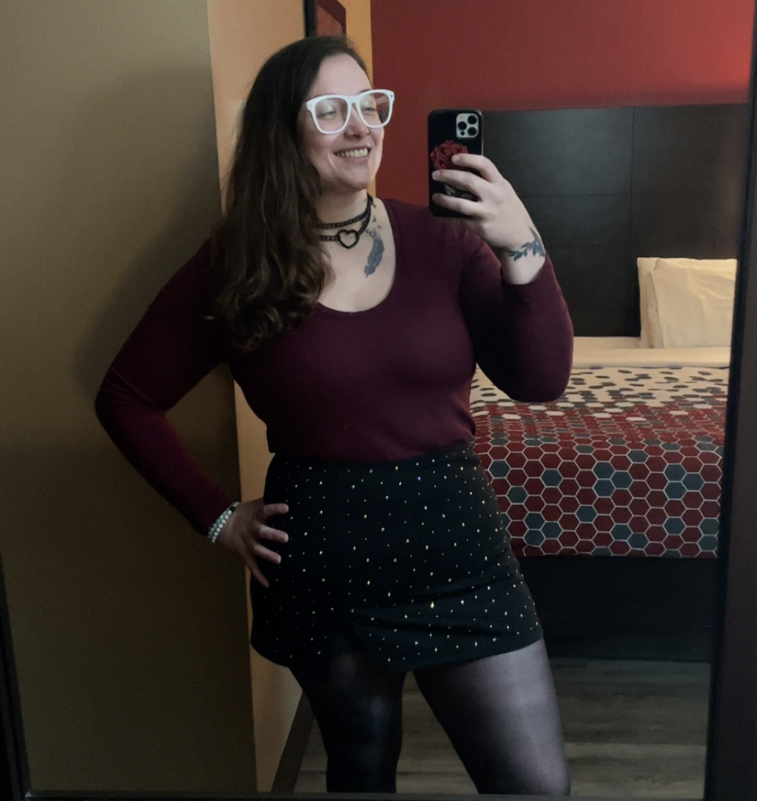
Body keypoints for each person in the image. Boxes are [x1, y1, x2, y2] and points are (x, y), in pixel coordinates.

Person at [95, 35, 573, 796]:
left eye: (369, 105)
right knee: (360, 771)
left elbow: (541, 381)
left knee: (534, 785)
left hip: (456, 544)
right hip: (323, 559)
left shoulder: (446, 242)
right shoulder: (237, 264)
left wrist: (521, 246)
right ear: (282, 132)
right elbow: (126, 397)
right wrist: (216, 517)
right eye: (330, 110)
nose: (360, 127)